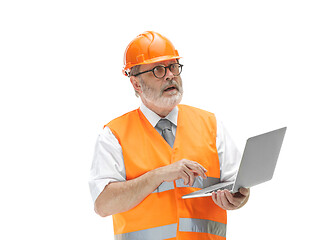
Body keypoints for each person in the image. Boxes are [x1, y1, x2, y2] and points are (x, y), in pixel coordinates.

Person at [89, 31, 250, 240]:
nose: (170, 75)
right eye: (158, 69)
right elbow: (103, 205)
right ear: (136, 83)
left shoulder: (211, 125)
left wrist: (239, 198)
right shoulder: (114, 135)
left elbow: (238, 186)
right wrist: (159, 175)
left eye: (173, 66)